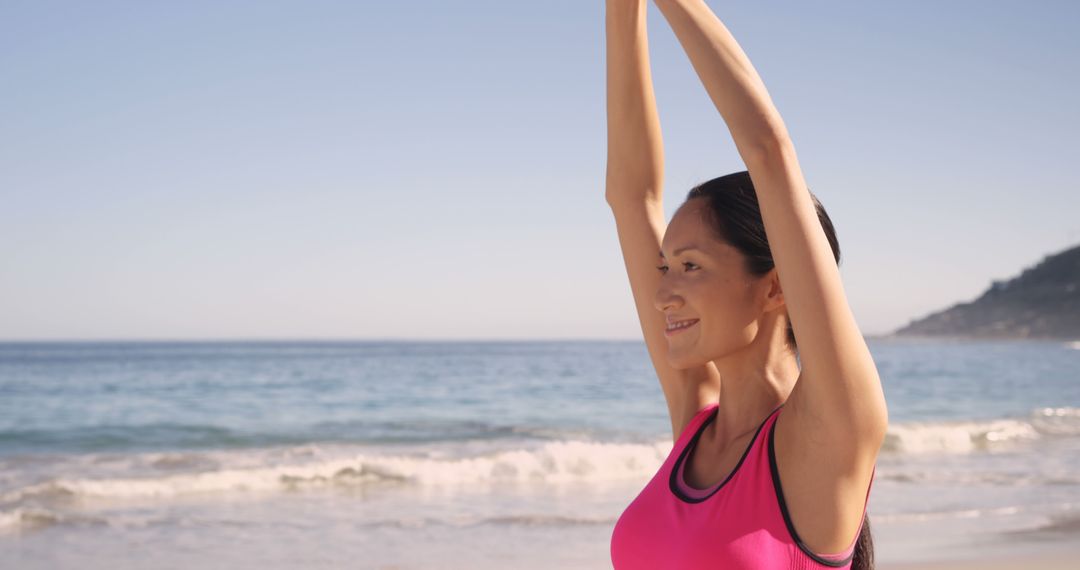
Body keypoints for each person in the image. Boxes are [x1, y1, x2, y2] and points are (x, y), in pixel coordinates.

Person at [604, 1, 889, 569]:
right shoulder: (697, 422)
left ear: (776, 286)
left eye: (691, 266)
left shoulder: (829, 433)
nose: (662, 294)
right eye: (666, 268)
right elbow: (631, 198)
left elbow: (767, 150)